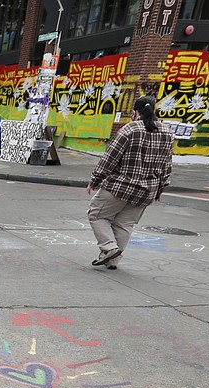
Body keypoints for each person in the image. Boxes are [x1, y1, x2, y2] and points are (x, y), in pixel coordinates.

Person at [87, 96, 173, 270]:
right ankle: (112, 261)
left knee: (97, 215)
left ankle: (109, 248)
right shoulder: (167, 132)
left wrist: (95, 180)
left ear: (135, 111)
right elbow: (167, 164)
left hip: (120, 185)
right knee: (125, 224)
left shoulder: (130, 129)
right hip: (147, 190)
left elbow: (110, 158)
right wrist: (161, 188)